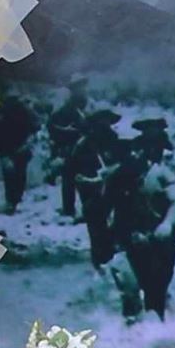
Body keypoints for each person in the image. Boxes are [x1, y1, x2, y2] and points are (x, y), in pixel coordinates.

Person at [107, 119, 175, 322]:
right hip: (129, 244)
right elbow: (104, 209)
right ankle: (131, 335)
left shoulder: (161, 174)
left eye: (135, 150)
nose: (132, 154)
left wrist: (168, 223)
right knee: (129, 292)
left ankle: (161, 327)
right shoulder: (116, 177)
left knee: (155, 296)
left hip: (159, 244)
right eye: (125, 151)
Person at [68, 108, 122, 268]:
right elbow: (74, 167)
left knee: (114, 222)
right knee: (95, 223)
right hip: (90, 188)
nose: (105, 124)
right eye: (101, 121)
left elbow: (120, 162)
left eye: (107, 121)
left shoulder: (114, 139)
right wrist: (85, 180)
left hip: (112, 186)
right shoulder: (84, 144)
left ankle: (110, 254)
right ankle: (99, 258)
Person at [0, 92, 39, 213]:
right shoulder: (24, 111)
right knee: (19, 174)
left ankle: (12, 200)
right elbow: (34, 127)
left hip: (7, 149)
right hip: (20, 148)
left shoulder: (3, 112)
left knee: (10, 176)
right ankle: (15, 199)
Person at [46, 79, 90, 219]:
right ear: (73, 90)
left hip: (86, 149)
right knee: (69, 180)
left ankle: (87, 209)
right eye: (79, 88)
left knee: (85, 181)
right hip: (70, 149)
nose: (83, 90)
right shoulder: (67, 108)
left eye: (83, 87)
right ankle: (69, 210)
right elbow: (53, 126)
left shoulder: (87, 105)